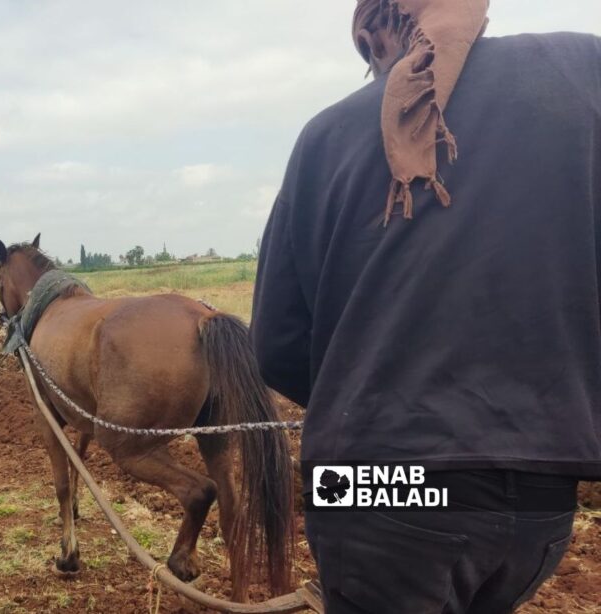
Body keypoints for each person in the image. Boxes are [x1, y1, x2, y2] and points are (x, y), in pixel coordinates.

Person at [250, 0, 601, 612]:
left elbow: (276, 346)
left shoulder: (326, 135)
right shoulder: (582, 70)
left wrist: (369, 396)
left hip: (371, 485)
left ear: (378, 30)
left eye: (366, 52)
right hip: (544, 485)